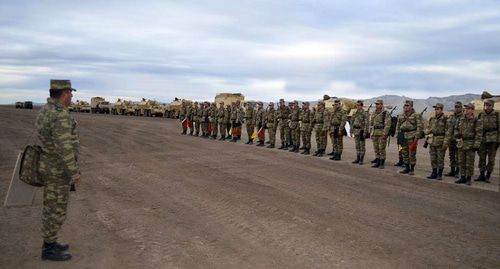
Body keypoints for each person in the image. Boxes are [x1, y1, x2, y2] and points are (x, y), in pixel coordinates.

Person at [35, 79, 80, 261]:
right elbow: (64, 147)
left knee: (51, 206)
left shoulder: (46, 110)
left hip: (48, 165)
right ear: (63, 93)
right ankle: (49, 249)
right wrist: (73, 172)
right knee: (56, 209)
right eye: (70, 92)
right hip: (57, 170)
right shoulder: (60, 114)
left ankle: (50, 242)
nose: (71, 95)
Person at [455, 103, 482, 185]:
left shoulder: (476, 120)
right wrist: (457, 135)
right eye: (466, 108)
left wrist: (476, 145)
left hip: (470, 144)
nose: (466, 110)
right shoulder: (460, 119)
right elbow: (456, 129)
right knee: (461, 161)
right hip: (462, 143)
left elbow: (479, 134)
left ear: (472, 110)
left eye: (468, 108)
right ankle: (462, 177)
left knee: (469, 162)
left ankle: (469, 178)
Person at [396, 100, 424, 175]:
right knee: (404, 152)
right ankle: (406, 167)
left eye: (407, 105)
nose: (405, 107)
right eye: (405, 105)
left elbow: (420, 126)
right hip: (402, 136)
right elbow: (398, 126)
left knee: (412, 153)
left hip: (412, 136)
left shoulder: (416, 115)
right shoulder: (401, 115)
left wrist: (417, 137)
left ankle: (412, 169)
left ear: (411, 106)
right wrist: (397, 135)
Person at [475, 99, 499, 183]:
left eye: (489, 105)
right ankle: (481, 175)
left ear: (492, 106)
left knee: (491, 159)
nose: (487, 107)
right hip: (482, 138)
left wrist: (498, 141)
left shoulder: (496, 115)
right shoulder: (481, 114)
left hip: (493, 140)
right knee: (482, 157)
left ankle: (488, 176)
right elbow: (477, 128)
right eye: (486, 105)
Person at [425, 103, 448, 180]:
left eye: (438, 109)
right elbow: (430, 129)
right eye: (435, 109)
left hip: (441, 140)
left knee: (440, 158)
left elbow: (448, 132)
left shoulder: (445, 119)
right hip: (433, 140)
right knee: (433, 158)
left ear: (441, 109)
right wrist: (424, 133)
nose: (436, 110)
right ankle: (434, 172)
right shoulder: (432, 119)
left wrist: (445, 142)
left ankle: (439, 174)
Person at [369, 100, 391, 168]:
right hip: (375, 132)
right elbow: (371, 123)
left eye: (378, 104)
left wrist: (385, 134)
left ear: (382, 105)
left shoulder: (385, 113)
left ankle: (382, 163)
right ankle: (377, 161)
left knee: (381, 148)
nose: (377, 105)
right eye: (376, 104)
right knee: (376, 148)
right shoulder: (374, 113)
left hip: (382, 133)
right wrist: (371, 132)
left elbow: (387, 125)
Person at [444, 102, 463, 177]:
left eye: (458, 107)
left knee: (458, 156)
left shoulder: (463, 117)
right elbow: (447, 127)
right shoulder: (451, 117)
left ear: (461, 108)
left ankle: (457, 171)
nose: (457, 108)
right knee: (451, 156)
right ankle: (452, 171)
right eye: (455, 107)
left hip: (459, 140)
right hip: (451, 139)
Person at [350, 100, 369, 165]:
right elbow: (352, 122)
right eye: (357, 105)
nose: (357, 106)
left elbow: (367, 124)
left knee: (362, 146)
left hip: (361, 131)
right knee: (357, 145)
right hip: (355, 131)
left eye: (358, 105)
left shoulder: (364, 113)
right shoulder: (355, 113)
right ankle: (357, 158)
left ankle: (361, 159)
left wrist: (365, 132)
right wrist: (351, 130)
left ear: (361, 106)